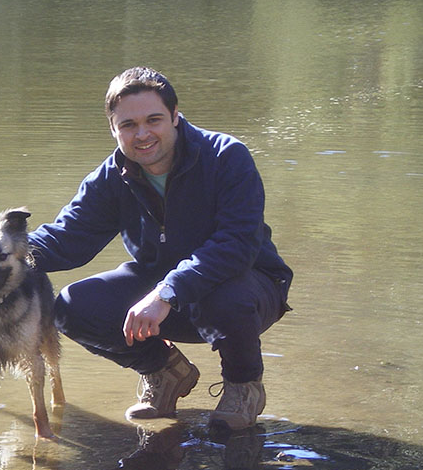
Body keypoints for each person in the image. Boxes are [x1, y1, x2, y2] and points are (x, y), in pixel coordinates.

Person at [28, 67, 292, 430]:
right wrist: (1, 254)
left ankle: (243, 386)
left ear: (175, 115)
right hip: (164, 293)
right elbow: (66, 238)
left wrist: (167, 292)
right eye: (128, 125)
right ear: (113, 129)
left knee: (226, 297)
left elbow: (237, 246)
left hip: (246, 289)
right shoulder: (111, 177)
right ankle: (165, 373)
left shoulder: (226, 156)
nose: (142, 134)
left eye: (153, 120)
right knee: (73, 307)